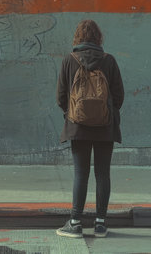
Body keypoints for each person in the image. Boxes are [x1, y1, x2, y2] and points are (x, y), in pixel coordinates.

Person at [56, 19, 124, 238]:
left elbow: (60, 96)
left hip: (78, 127)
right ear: (98, 37)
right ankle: (101, 224)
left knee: (80, 173)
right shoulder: (109, 61)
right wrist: (108, 115)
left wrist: (73, 114)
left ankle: (75, 223)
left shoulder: (69, 60)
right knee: (103, 173)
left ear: (78, 37)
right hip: (106, 127)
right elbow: (119, 95)